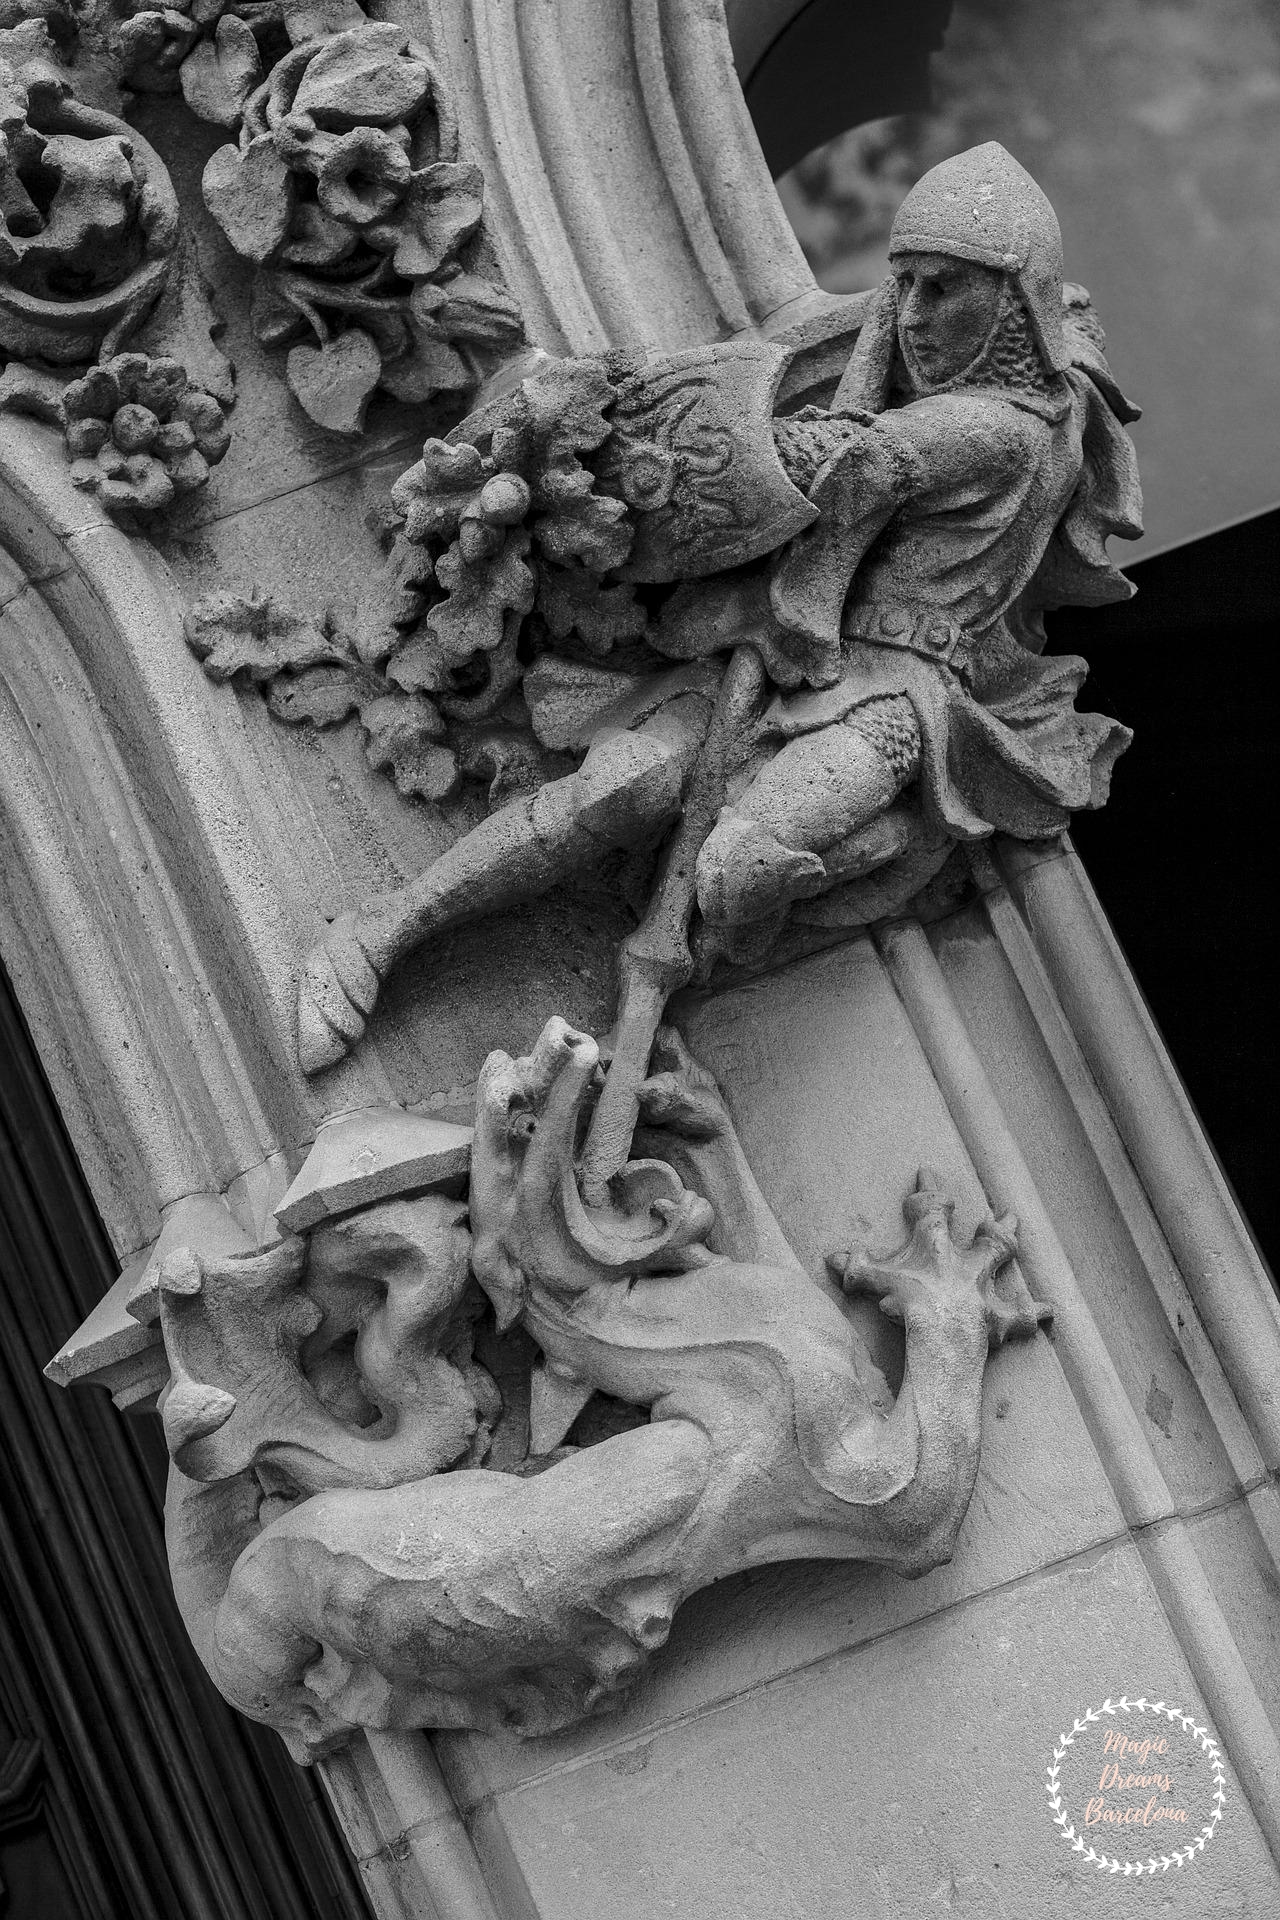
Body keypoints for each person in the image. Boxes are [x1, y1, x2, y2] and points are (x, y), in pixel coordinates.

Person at [298, 142, 1141, 1075]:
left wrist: (776, 526)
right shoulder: (1000, 400)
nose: (918, 322)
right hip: (776, 649)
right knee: (619, 790)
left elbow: (863, 460)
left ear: (1014, 300)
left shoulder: (1002, 428)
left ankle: (819, 881)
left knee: (744, 865)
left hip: (891, 698)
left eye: (946, 291)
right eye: (906, 291)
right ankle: (380, 932)